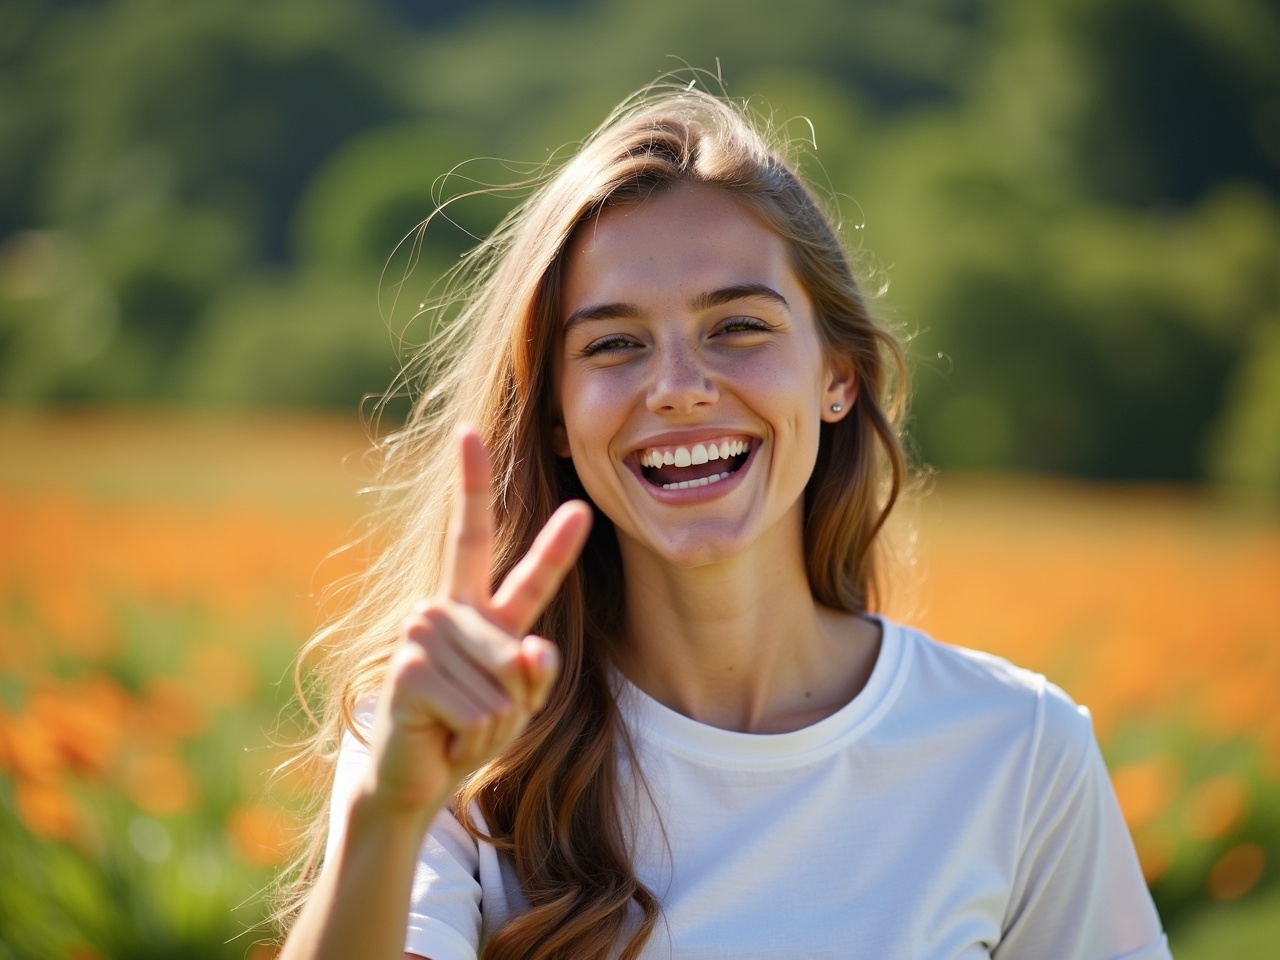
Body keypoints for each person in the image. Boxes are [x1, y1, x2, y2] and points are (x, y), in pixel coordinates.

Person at [277, 82, 1171, 960]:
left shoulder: (1017, 751)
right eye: (613, 344)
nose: (678, 388)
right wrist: (388, 818)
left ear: (838, 376)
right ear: (555, 414)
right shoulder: (445, 740)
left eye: (738, 326)